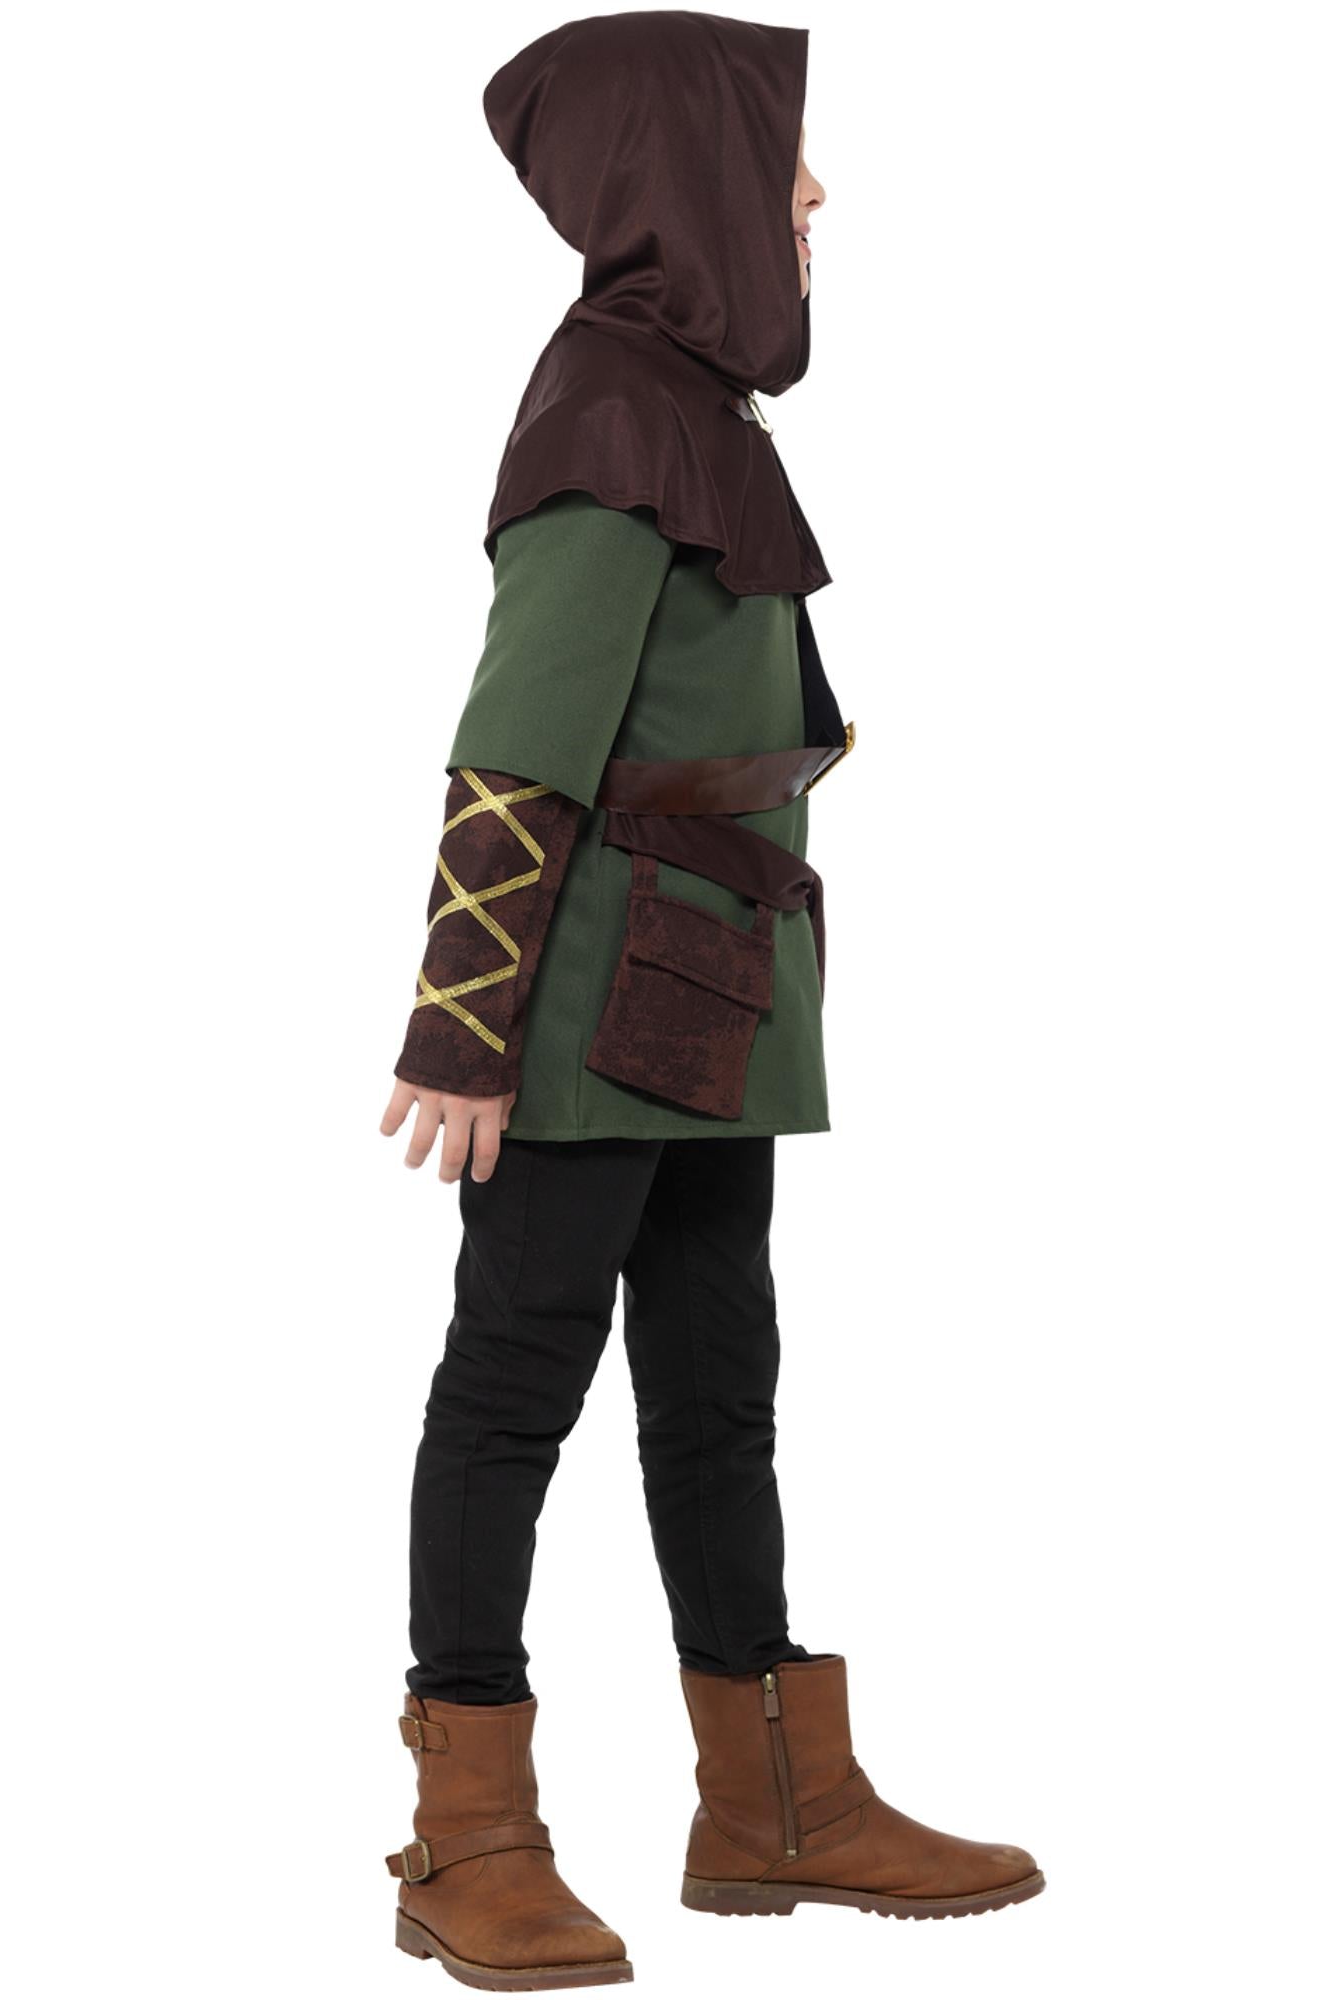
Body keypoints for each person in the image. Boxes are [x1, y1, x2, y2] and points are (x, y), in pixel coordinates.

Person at [379, 13, 1043, 1989]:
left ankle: (773, 1803)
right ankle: (467, 1834)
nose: (815, 191)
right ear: (686, 172)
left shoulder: (695, 408)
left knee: (718, 1380)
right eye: (782, 153)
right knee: (515, 1383)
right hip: (585, 1008)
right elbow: (516, 748)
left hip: (709, 987)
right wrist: (463, 1028)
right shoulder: (610, 413)